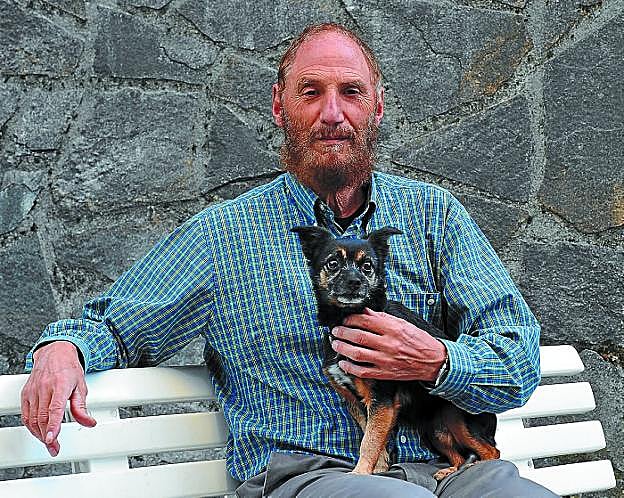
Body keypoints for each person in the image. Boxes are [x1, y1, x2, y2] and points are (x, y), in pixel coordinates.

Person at [21, 23, 558, 497]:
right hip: (309, 476)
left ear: (377, 106)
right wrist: (64, 350)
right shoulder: (224, 236)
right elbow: (116, 324)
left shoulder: (433, 215)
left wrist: (436, 360)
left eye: (351, 92)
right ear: (280, 106)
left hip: (450, 473)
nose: (333, 114)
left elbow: (517, 360)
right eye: (311, 92)